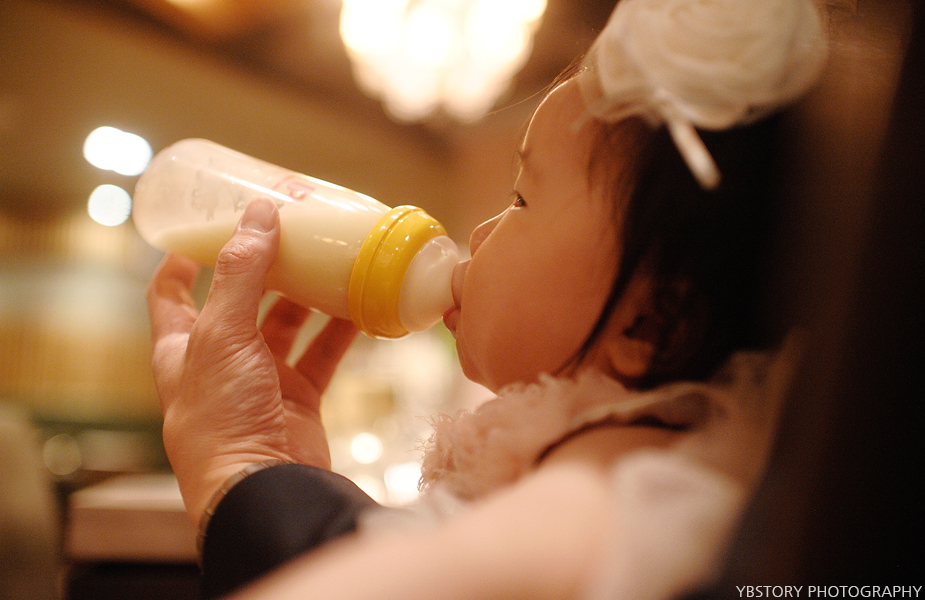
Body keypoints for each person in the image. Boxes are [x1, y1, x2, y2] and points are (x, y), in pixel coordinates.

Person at [145, 0, 828, 598]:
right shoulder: (645, 457)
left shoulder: (605, 481)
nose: (478, 233)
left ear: (652, 325)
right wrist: (278, 471)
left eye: (521, 198)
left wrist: (232, 465)